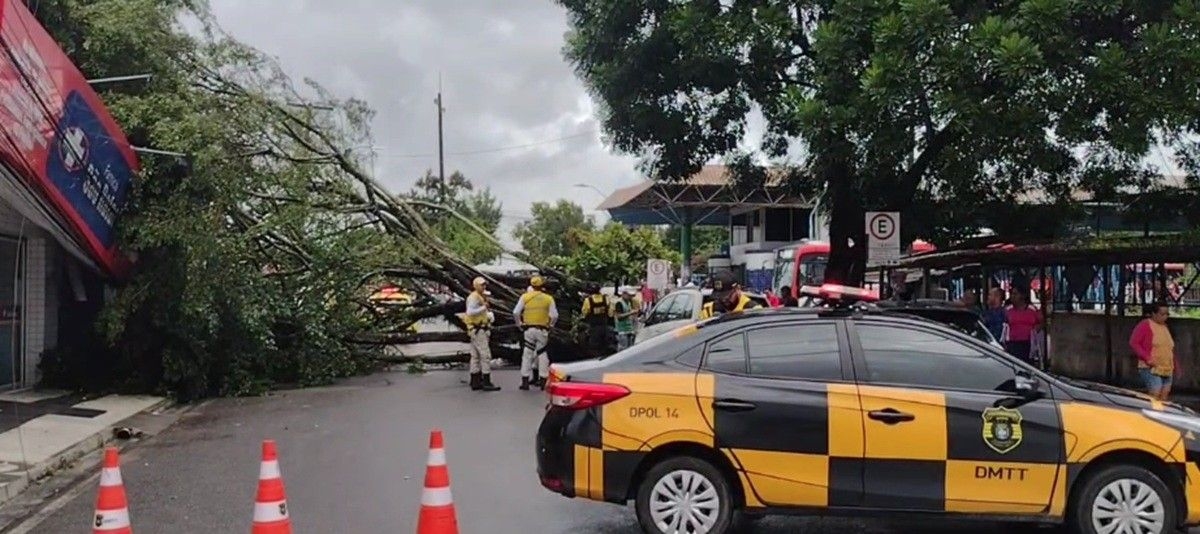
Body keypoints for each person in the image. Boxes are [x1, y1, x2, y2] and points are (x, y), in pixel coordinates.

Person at [513, 275, 558, 391]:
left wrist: (519, 324)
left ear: (532, 285)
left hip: (528, 330)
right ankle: (543, 381)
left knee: (527, 354)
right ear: (542, 285)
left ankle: (525, 381)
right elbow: (554, 315)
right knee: (542, 354)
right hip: (542, 330)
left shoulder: (525, 297)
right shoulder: (548, 298)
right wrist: (550, 325)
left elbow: (516, 312)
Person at [1130, 301, 1176, 400]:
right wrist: (1147, 358)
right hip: (1150, 366)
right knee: (1155, 392)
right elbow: (1134, 343)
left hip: (1167, 366)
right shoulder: (1145, 325)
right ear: (1154, 314)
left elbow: (1168, 348)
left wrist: (1176, 365)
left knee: (1164, 394)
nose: (1165, 317)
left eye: (1167, 314)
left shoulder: (1165, 327)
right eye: (1162, 314)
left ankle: (1161, 414)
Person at [461, 277, 500, 392]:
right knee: (485, 355)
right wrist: (484, 308)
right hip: (478, 330)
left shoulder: (478, 296)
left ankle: (475, 380)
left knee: (475, 356)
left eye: (484, 285)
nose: (484, 287)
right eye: (482, 285)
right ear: (475, 286)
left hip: (475, 329)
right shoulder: (474, 298)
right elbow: (470, 312)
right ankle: (486, 381)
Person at [1004, 289, 1042, 366]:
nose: (1012, 296)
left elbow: (1041, 322)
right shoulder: (1008, 310)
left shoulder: (1032, 309)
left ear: (1022, 296)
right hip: (1013, 343)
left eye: (1015, 294)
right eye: (1012, 294)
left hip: (1028, 343)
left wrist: (1035, 331)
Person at [580, 284, 611, 353]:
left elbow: (584, 312)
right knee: (605, 344)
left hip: (594, 326)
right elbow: (609, 309)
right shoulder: (605, 298)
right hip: (604, 325)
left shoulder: (588, 300)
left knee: (594, 345)